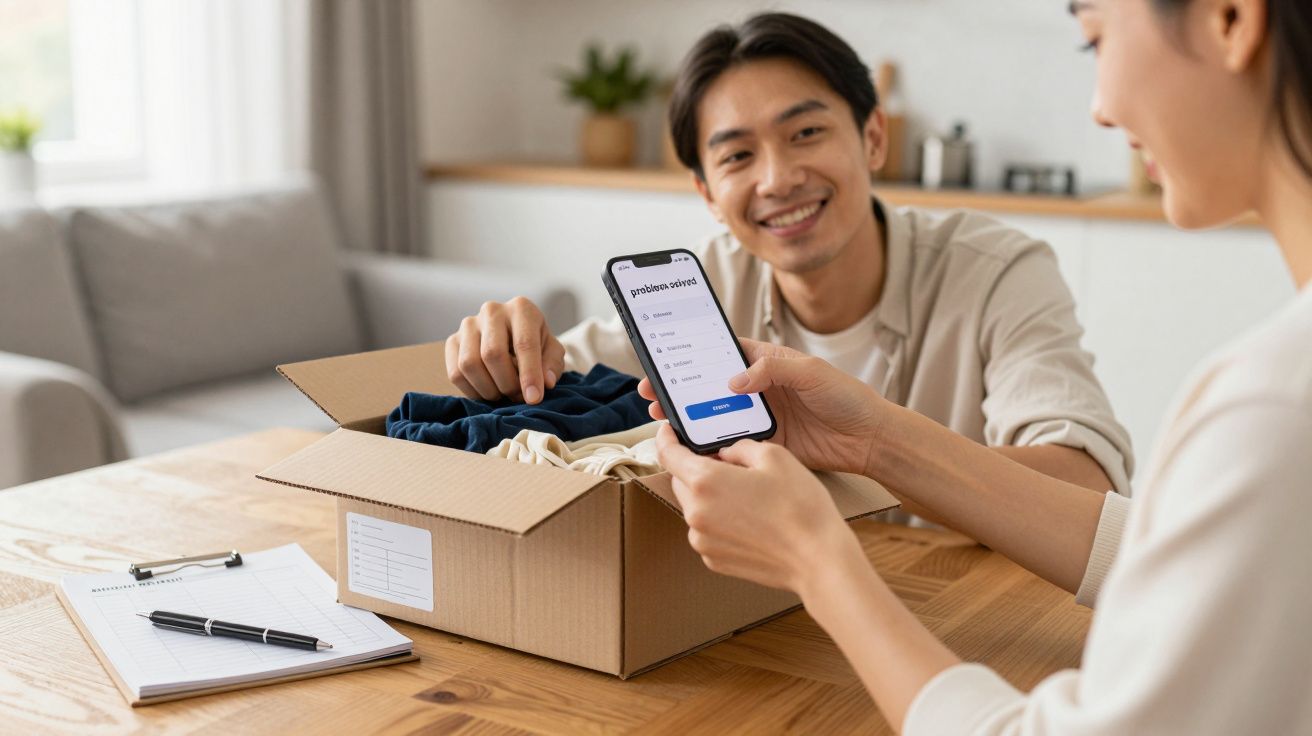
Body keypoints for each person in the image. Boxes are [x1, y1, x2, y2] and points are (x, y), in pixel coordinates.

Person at [640, 0, 1312, 732]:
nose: (1099, 109)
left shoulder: (1270, 407)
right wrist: (875, 443)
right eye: (737, 155)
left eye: (1095, 41)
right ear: (705, 190)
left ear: (1231, 19)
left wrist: (815, 557)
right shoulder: (1273, 396)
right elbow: (1172, 563)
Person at [443, 13, 1135, 517]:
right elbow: (565, 375)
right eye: (738, 156)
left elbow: (1088, 485)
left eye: (806, 132)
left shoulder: (997, 271)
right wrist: (511, 347)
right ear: (707, 194)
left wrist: (869, 453)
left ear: (872, 137)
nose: (777, 179)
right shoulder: (700, 284)